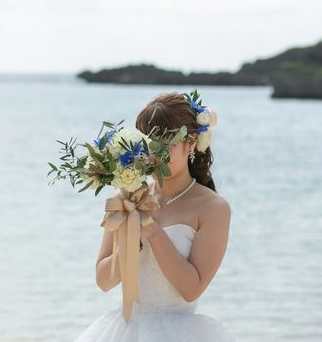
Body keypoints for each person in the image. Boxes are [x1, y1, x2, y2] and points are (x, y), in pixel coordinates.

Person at [73, 91, 236, 341]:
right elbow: (104, 281)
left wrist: (154, 233)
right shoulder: (127, 198)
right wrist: (129, 241)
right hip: (123, 330)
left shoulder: (213, 208)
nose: (155, 155)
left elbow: (191, 289)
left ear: (191, 142)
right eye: (148, 144)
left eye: (166, 143)